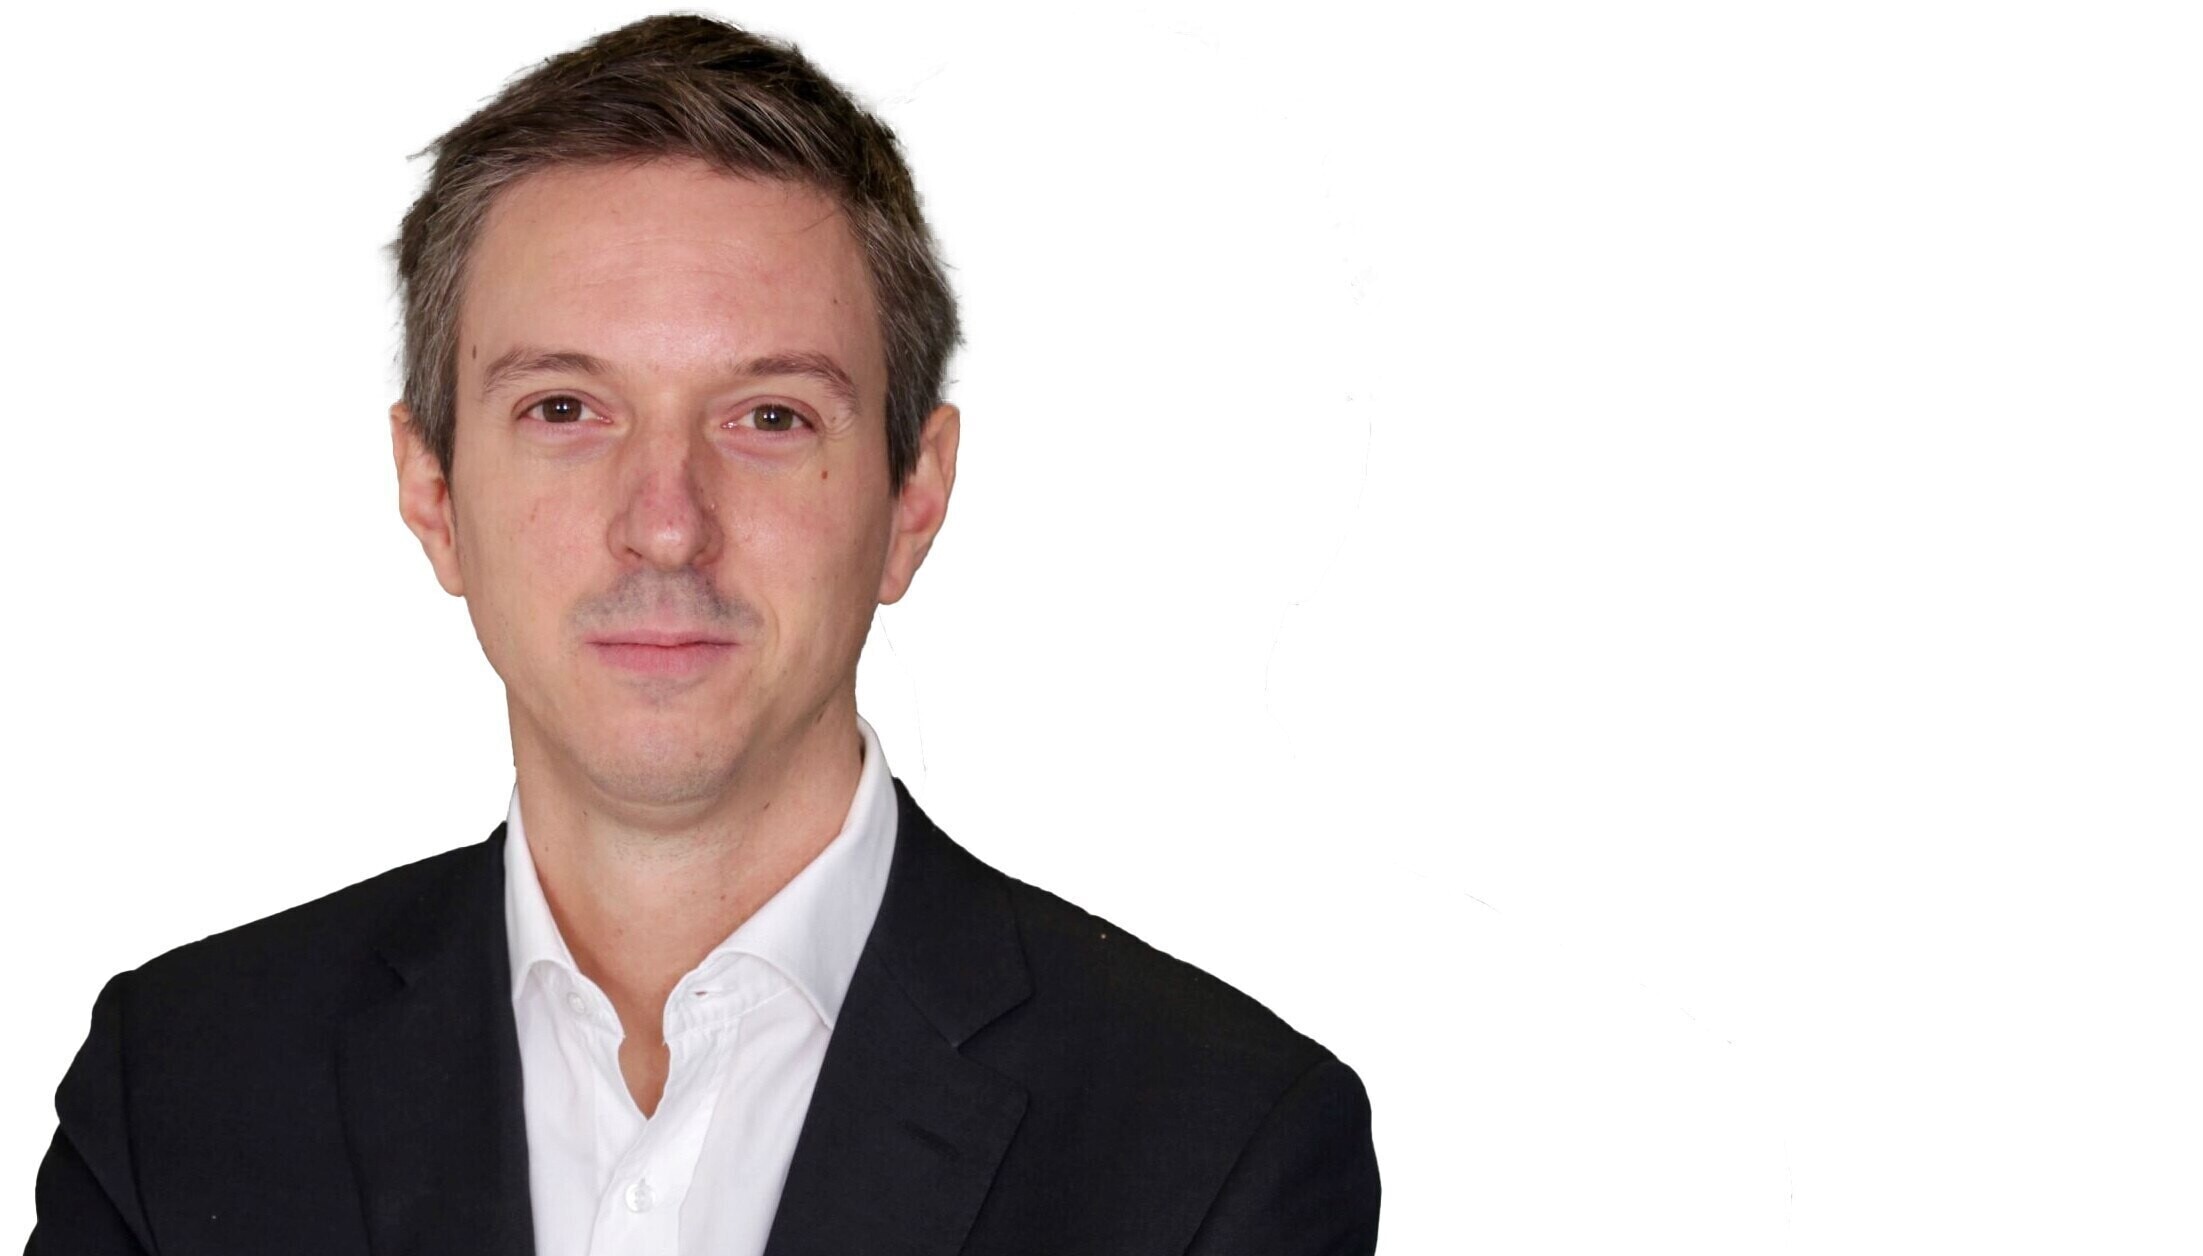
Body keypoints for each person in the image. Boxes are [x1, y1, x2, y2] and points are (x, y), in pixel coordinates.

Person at [24, 14, 1378, 1255]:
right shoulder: (176, 1096)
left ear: (914, 498)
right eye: (565, 409)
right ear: (432, 492)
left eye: (770, 417)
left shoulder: (1219, 1155)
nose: (666, 526)